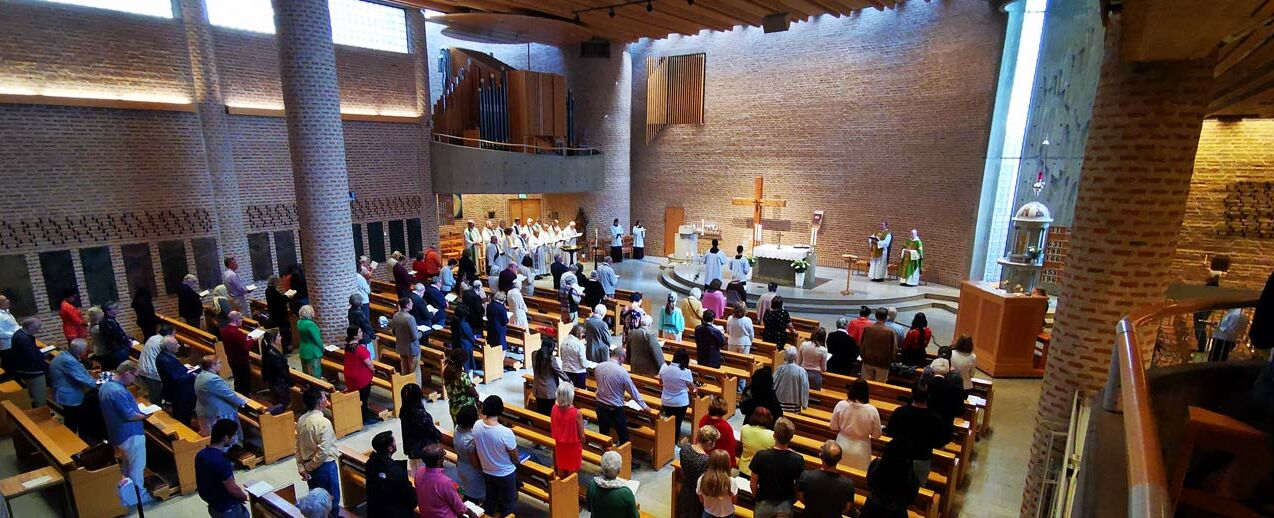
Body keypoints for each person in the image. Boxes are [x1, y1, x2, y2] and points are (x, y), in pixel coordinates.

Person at [99, 360, 154, 504]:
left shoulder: (106, 386)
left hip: (117, 433)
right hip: (130, 434)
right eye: (134, 376)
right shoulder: (118, 391)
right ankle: (139, 497)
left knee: (127, 465)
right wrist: (145, 415)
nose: (134, 380)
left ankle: (127, 495)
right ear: (127, 373)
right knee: (137, 467)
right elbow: (129, 415)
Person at [884, 388, 946, 493]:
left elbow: (890, 432)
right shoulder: (935, 418)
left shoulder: (900, 411)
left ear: (912, 395)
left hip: (899, 455)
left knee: (896, 486)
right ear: (928, 397)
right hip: (921, 458)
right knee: (918, 489)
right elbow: (939, 442)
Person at [473, 396, 520, 517]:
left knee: (490, 500)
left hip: (487, 470)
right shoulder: (505, 432)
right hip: (505, 473)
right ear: (500, 410)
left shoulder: (477, 425)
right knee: (508, 504)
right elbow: (515, 458)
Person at [749, 417, 805, 518]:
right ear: (791, 437)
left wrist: (758, 498)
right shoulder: (798, 459)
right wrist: (792, 500)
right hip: (785, 504)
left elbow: (753, 483)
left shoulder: (761, 456)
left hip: (764, 502)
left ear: (774, 435)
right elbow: (798, 487)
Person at [297, 388, 340, 516]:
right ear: (319, 402)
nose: (326, 399)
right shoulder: (323, 422)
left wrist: (302, 467)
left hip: (309, 464)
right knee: (331, 501)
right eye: (324, 397)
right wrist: (309, 467)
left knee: (316, 503)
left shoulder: (301, 420)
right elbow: (323, 451)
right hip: (324, 466)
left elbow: (298, 446)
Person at [595, 346, 649, 445]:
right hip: (615, 409)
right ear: (620, 357)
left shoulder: (599, 366)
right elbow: (633, 391)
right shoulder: (621, 372)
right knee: (624, 437)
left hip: (600, 406)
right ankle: (624, 457)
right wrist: (644, 406)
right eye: (624, 358)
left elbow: (599, 385)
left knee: (603, 435)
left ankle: (605, 456)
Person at [197, 419, 249, 517]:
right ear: (226, 438)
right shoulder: (221, 461)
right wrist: (243, 497)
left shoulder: (200, 455)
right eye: (233, 435)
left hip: (213, 505)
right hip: (228, 508)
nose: (235, 438)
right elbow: (232, 488)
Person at [831, 379, 882, 471]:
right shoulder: (872, 410)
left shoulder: (841, 405)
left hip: (842, 444)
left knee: (839, 473)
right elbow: (877, 435)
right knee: (859, 476)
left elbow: (833, 426)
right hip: (861, 448)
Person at [861, 439, 919, 518]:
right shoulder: (910, 476)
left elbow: (869, 482)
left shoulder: (876, 465)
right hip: (895, 513)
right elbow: (911, 499)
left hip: (872, 509)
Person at [416, 443, 477, 518]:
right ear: (439, 460)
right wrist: (470, 513)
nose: (445, 455)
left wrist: (459, 490)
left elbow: (456, 488)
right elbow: (459, 505)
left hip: (426, 512)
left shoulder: (419, 471)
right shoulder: (446, 481)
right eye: (443, 454)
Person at [797, 440, 856, 517]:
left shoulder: (806, 476)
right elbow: (847, 508)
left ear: (820, 455)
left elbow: (800, 497)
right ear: (840, 459)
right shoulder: (848, 484)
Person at [365, 431, 418, 518]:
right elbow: (411, 500)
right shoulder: (396, 472)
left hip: (375, 511)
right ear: (390, 448)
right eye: (394, 441)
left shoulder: (370, 463)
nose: (395, 443)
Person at [195, 355, 247, 444]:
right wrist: (242, 403)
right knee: (224, 436)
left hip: (206, 409)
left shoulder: (201, 375)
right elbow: (228, 395)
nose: (221, 365)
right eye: (219, 363)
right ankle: (231, 449)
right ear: (212, 366)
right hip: (219, 413)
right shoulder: (213, 379)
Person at [51, 339, 98, 435]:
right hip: (69, 395)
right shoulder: (68, 360)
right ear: (81, 351)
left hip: (66, 390)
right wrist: (99, 385)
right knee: (74, 420)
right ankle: (74, 439)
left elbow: (80, 372)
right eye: (86, 350)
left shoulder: (66, 355)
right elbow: (81, 378)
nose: (87, 351)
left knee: (71, 418)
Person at [677, 425, 718, 518]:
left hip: (685, 488)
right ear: (710, 443)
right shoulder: (706, 460)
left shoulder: (685, 448)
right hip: (698, 495)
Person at [343, 327, 379, 424]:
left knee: (358, 397)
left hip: (349, 374)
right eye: (359, 332)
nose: (361, 333)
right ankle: (365, 418)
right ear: (354, 335)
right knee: (363, 398)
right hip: (360, 377)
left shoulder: (348, 346)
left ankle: (359, 415)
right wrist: (374, 370)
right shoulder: (360, 349)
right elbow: (369, 363)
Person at [156, 336, 196, 425]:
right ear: (168, 347)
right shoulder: (165, 360)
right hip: (178, 394)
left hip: (179, 391)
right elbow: (175, 379)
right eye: (176, 344)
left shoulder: (165, 356)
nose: (178, 346)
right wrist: (191, 375)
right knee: (183, 418)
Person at [8, 318, 48, 406]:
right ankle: (41, 414)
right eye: (37, 328)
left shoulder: (19, 333)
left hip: (24, 369)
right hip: (33, 372)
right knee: (39, 397)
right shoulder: (24, 339)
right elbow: (33, 357)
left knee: (33, 393)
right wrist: (43, 355)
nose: (38, 331)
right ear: (30, 328)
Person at [660, 348, 696, 441]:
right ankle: (674, 443)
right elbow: (692, 389)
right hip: (680, 403)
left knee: (671, 421)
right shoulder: (686, 372)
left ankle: (670, 440)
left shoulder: (664, 368)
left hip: (666, 401)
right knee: (677, 423)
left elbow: (660, 382)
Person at [587, 450, 638, 516]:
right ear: (619, 470)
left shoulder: (592, 485)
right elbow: (634, 516)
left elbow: (589, 508)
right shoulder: (626, 493)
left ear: (602, 468)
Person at [551, 382, 585, 477]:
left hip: (560, 445)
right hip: (573, 448)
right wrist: (583, 441)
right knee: (571, 476)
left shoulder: (554, 409)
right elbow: (582, 435)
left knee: (561, 471)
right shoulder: (576, 413)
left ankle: (561, 490)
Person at [532, 337, 569, 415]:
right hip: (548, 390)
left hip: (537, 388)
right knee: (549, 412)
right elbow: (559, 371)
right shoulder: (550, 359)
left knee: (540, 410)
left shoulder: (534, 354)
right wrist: (568, 380)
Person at [860, 308, 899, 382]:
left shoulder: (867, 329)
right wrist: (890, 361)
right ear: (886, 317)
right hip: (883, 364)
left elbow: (862, 345)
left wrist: (863, 357)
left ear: (875, 316)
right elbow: (894, 349)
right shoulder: (890, 332)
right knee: (879, 388)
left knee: (865, 384)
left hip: (867, 361)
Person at [697, 396, 737, 466]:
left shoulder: (703, 419)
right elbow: (731, 446)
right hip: (718, 461)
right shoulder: (726, 427)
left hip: (703, 455)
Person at [220, 311, 253, 394]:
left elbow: (238, 343)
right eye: (241, 318)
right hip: (240, 361)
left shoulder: (225, 330)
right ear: (236, 319)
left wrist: (245, 339)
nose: (242, 320)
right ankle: (246, 401)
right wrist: (252, 340)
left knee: (237, 380)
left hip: (231, 359)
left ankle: (239, 396)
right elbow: (246, 348)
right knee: (244, 383)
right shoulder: (235, 332)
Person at [138, 325, 174, 403]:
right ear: (169, 334)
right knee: (156, 397)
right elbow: (165, 359)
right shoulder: (163, 342)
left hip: (142, 368)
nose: (174, 336)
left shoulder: (153, 337)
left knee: (155, 392)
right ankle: (158, 410)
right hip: (151, 372)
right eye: (174, 334)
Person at [698, 449, 738, 518]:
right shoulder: (732, 482)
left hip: (708, 513)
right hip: (728, 515)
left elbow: (701, 499)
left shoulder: (702, 479)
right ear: (728, 464)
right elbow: (734, 501)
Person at [444, 347, 479, 422]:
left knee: (458, 428)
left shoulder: (446, 371)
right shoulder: (462, 376)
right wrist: (477, 397)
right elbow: (471, 391)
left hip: (453, 406)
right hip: (466, 409)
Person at [260, 329, 290, 414]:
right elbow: (280, 370)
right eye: (279, 336)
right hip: (279, 383)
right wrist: (290, 381)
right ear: (273, 339)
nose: (281, 337)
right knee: (281, 404)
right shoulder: (273, 354)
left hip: (274, 382)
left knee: (278, 402)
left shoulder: (268, 349)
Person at [739, 407, 775, 477]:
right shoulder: (772, 435)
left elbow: (741, 443)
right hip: (761, 472)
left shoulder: (744, 428)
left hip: (744, 469)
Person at [393, 297, 422, 385]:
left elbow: (394, 332)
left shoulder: (396, 315)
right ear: (407, 305)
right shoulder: (410, 318)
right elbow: (415, 336)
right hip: (412, 348)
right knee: (415, 372)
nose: (412, 304)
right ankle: (416, 392)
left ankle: (406, 389)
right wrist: (420, 333)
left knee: (404, 370)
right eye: (411, 303)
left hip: (401, 347)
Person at [97, 301, 133, 371]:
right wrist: (127, 341)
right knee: (125, 371)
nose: (117, 310)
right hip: (117, 350)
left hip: (114, 350)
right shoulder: (109, 322)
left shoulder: (106, 320)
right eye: (115, 308)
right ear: (108, 311)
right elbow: (118, 336)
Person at [773, 346, 809, 413]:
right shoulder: (801, 371)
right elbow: (804, 388)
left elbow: (773, 384)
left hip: (779, 403)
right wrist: (804, 404)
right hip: (794, 405)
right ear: (796, 356)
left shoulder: (780, 369)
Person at [265, 276, 293, 354]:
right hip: (279, 316)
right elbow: (280, 302)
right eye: (277, 282)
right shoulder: (273, 292)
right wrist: (286, 297)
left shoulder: (267, 290)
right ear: (274, 283)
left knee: (281, 332)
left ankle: (283, 348)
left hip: (273, 315)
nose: (278, 283)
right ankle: (285, 349)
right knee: (284, 333)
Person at [450, 304, 478, 375]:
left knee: (459, 362)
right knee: (467, 364)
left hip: (456, 343)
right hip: (465, 345)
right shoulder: (463, 324)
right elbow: (469, 335)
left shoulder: (454, 320)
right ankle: (468, 379)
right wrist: (473, 341)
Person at [347, 294, 376, 361]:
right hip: (363, 337)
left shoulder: (350, 311)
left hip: (355, 335)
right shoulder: (360, 313)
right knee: (367, 356)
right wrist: (372, 335)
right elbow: (366, 326)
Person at [297, 305, 323, 378]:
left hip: (303, 349)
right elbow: (317, 339)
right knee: (315, 373)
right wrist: (322, 348)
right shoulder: (310, 324)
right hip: (313, 351)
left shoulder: (299, 322)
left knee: (306, 372)